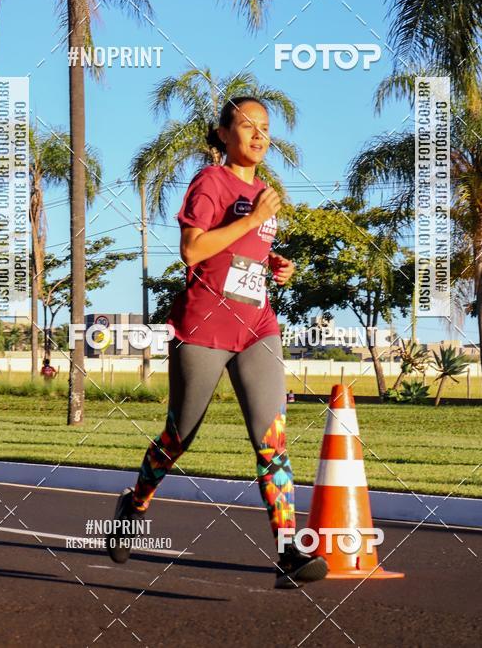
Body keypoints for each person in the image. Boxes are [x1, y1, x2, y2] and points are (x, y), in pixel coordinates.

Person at [107, 96, 328, 589]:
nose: (259, 134)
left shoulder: (265, 192)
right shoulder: (210, 181)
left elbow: (241, 253)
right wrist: (250, 221)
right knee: (179, 436)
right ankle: (134, 505)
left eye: (265, 127)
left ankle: (288, 551)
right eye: (247, 126)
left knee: (272, 441)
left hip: (256, 326)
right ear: (224, 134)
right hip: (204, 327)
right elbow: (192, 250)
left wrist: (275, 264)